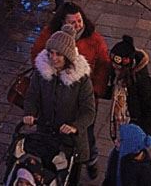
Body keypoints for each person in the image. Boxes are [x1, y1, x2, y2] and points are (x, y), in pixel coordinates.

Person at [23, 28, 97, 173]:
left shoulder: (81, 80)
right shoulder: (41, 73)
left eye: (59, 54)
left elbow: (88, 111)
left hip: (71, 142)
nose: (53, 58)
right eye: (51, 53)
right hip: (45, 135)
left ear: (67, 57)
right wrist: (30, 113)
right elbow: (32, 96)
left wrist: (75, 126)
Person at [107, 35, 151, 139]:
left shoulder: (141, 81)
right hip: (122, 125)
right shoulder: (119, 74)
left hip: (135, 130)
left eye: (118, 68)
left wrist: (146, 136)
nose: (115, 70)